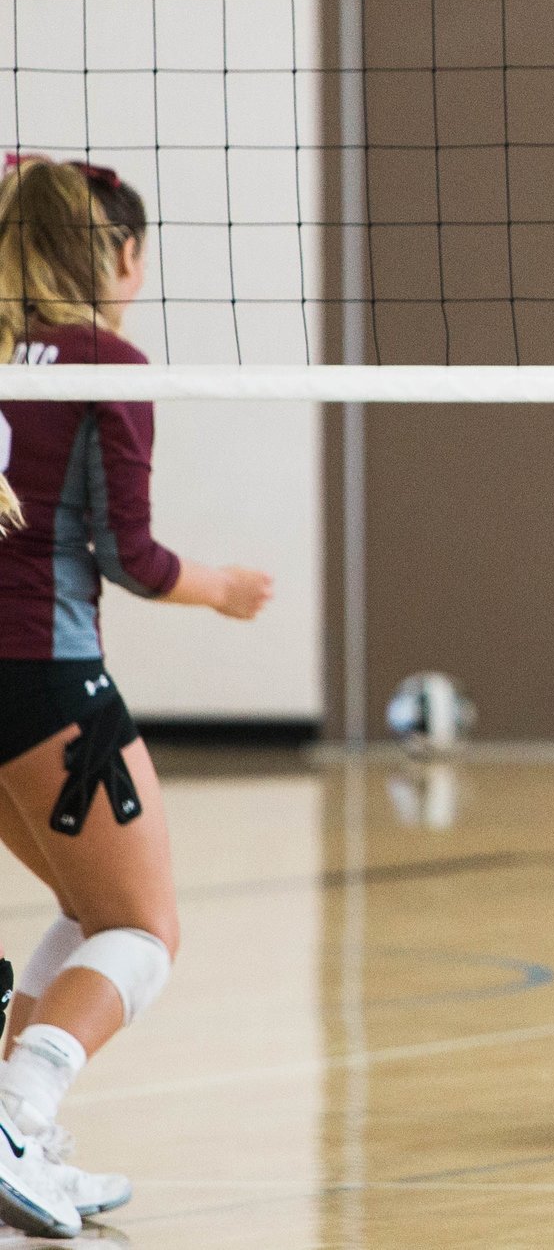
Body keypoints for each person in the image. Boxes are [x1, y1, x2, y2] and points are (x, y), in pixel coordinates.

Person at [0, 156, 274, 1237]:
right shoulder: (103, 359)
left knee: (89, 910)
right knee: (146, 930)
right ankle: (18, 1113)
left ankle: (19, 1129)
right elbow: (131, 553)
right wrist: (221, 590)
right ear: (119, 254)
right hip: (48, 683)